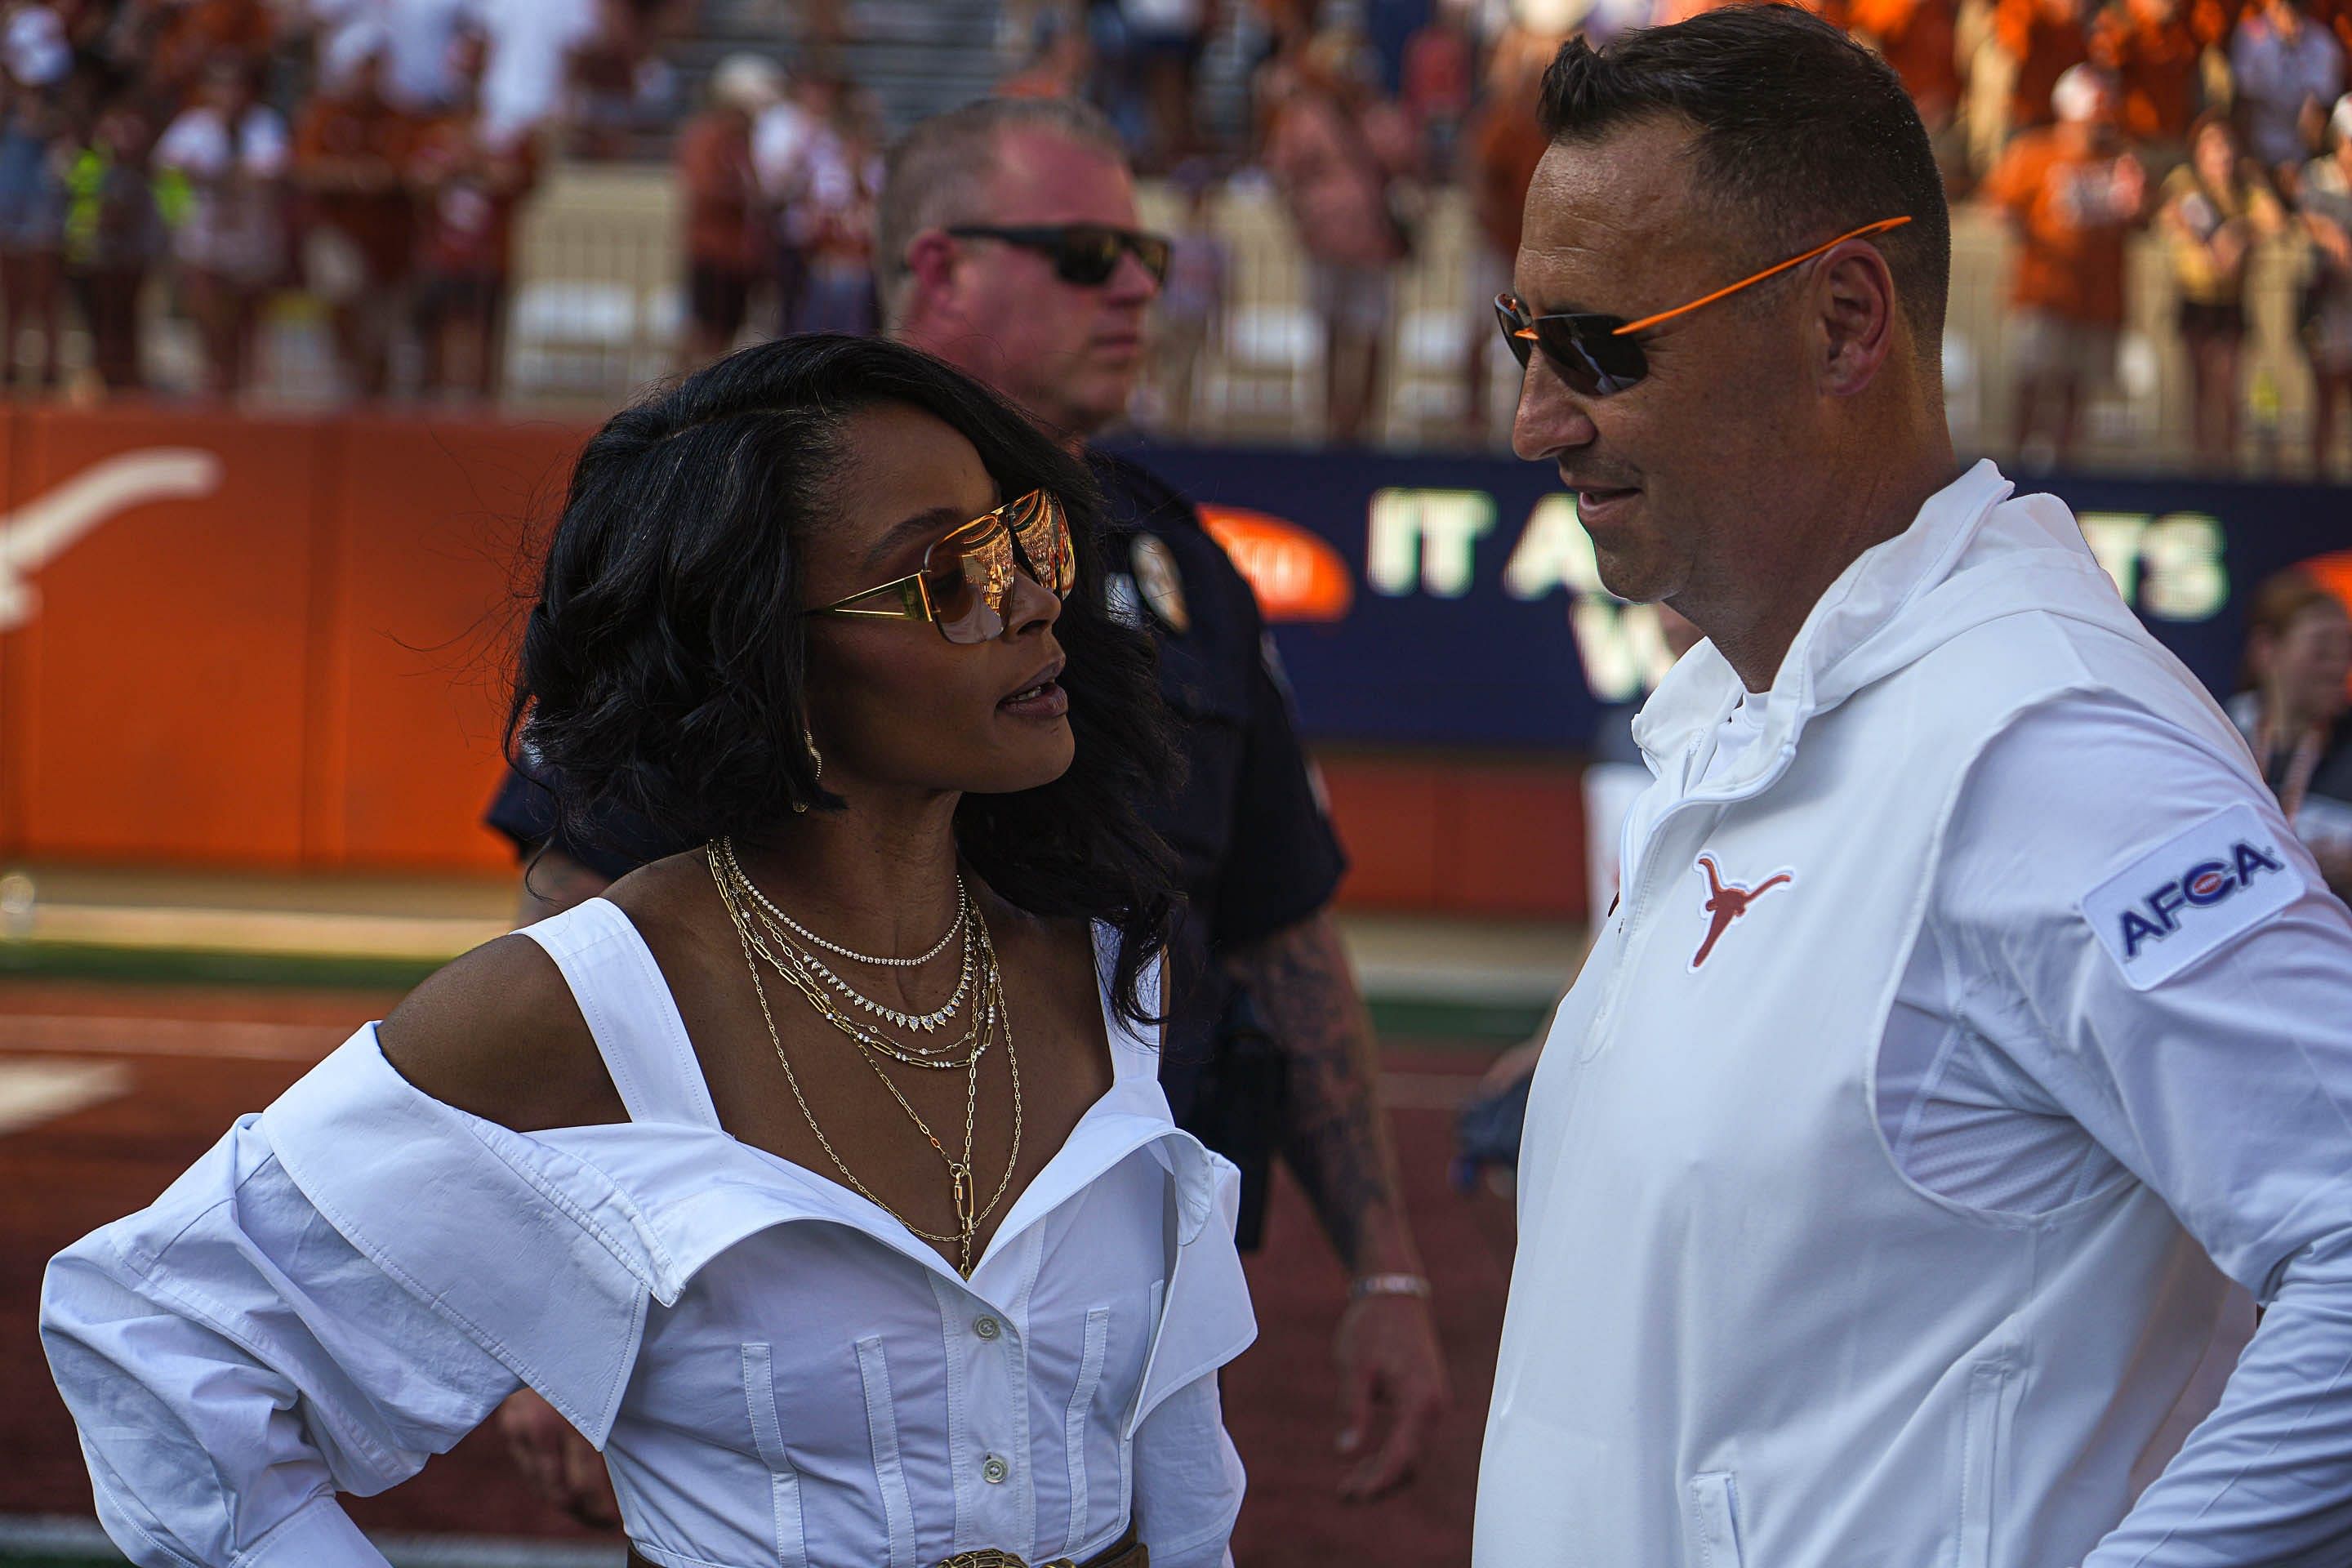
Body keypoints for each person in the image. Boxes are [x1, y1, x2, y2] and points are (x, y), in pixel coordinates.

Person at [42, 332, 1256, 1568]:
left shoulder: (1106, 962)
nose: (1036, 597)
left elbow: (1176, 1455)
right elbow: (154, 1339)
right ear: (769, 656)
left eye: (1027, 536)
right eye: (951, 574)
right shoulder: (582, 1005)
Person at [489, 94, 1450, 1520]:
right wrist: (559, 1304)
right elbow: (581, 928)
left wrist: (1384, 1266)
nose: (1137, 285)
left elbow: (1276, 933)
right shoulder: (741, 527)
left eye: (1144, 253)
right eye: (1085, 252)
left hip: (1115, 1337)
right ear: (937, 269)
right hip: (802, 1344)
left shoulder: (1183, 564)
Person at [1479, 8, 2352, 1566]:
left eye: (1604, 348)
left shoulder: (2049, 742)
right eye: (1523, 339)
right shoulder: (1763, 716)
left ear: (1843, 321)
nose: (1538, 418)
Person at [1982, 64, 2146, 467]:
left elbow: (2140, 219)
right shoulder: (2035, 153)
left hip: (2097, 299)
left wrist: (2137, 205)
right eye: (2093, 118)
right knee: (2032, 385)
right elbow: (1999, 205)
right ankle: (2015, 471)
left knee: (2078, 392)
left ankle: (2066, 481)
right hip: (2045, 294)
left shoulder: (2122, 161)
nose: (2101, 127)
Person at [1263, 28, 1420, 444]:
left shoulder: (1376, 116)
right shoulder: (1309, 116)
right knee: (1333, 331)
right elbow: (1284, 171)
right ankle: (1335, 423)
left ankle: (1362, 423)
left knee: (1367, 332)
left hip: (1371, 242)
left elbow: (1406, 160)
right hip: (1332, 242)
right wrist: (1300, 218)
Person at [293, 23, 416, 399]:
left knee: (383, 329)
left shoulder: (398, 117)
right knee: (341, 289)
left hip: (390, 240)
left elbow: (410, 168)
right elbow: (306, 170)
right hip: (340, 230)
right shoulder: (325, 115)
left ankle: (375, 397)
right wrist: (355, 177)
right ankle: (346, 375)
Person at [153, 56, 287, 399]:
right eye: (222, 85)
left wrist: (212, 177)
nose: (230, 94)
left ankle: (244, 396)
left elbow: (268, 174)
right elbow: (168, 171)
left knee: (247, 329)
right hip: (204, 242)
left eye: (237, 86)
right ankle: (215, 389)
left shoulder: (264, 125)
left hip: (252, 243)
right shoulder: (191, 128)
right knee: (211, 326)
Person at [2158, 114, 2284, 466]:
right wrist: (2205, 246)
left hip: (2231, 301)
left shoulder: (2245, 189)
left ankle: (2226, 461)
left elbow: (2274, 222)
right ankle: (2200, 461)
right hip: (2196, 298)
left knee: (2228, 387)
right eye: (2212, 145)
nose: (2220, 154)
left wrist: (2239, 232)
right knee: (2198, 388)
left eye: (2226, 145)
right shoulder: (2186, 183)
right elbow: (2175, 215)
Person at [2230, 568, 2352, 893]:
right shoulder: (2215, 736)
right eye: (2322, 649)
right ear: (2266, 650)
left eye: (2347, 649)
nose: (2338, 666)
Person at [675, 52, 776, 368]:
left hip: (739, 257)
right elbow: (704, 190)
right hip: (714, 252)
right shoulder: (708, 137)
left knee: (728, 335)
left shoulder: (742, 140)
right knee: (706, 335)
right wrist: (746, 198)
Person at [2296, 92, 2352, 469]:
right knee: (2326, 397)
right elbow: (2316, 228)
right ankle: (2319, 483)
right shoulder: (2317, 178)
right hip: (2328, 304)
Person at [2231, 0, 2344, 180]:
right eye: (2284, 7)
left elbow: (2318, 115)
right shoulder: (2250, 36)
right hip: (2257, 150)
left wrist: (2304, 159)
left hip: (2301, 155)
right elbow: (2243, 103)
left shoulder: (2322, 43)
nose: (2291, 14)